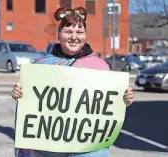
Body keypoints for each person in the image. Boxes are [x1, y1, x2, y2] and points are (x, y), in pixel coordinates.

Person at [11, 6, 134, 157]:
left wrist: (123, 100)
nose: (74, 37)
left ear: (85, 35)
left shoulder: (100, 67)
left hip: (87, 151)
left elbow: (107, 109)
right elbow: (30, 110)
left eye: (79, 32)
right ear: (59, 34)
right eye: (68, 31)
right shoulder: (41, 65)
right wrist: (20, 94)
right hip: (48, 150)